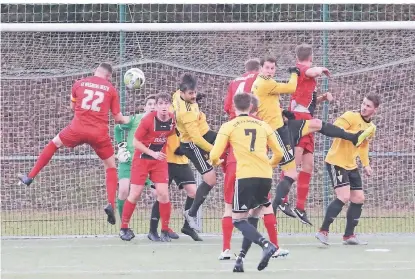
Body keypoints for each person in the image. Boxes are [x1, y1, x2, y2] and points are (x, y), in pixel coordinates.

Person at [251, 55, 375, 212]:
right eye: (267, 68)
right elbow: (291, 87)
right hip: (277, 131)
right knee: (290, 172)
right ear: (261, 68)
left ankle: (353, 137)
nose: (269, 71)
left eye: (272, 68)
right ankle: (273, 204)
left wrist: (282, 111)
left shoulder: (262, 83)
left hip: (284, 124)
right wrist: (295, 73)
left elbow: (266, 105)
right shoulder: (265, 82)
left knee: (316, 125)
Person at [18, 63, 129, 225]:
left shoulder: (79, 83)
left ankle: (30, 176)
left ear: (95, 71)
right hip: (99, 134)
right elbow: (118, 118)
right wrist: (133, 120)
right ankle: (110, 204)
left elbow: (72, 106)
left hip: (77, 129)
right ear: (109, 76)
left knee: (54, 144)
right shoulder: (111, 89)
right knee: (111, 166)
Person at [210, 93, 285, 272]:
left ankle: (266, 244)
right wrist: (270, 165)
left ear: (234, 107)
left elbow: (214, 155)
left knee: (237, 220)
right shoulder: (263, 125)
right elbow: (280, 153)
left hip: (245, 177)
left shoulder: (229, 125)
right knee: (252, 218)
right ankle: (240, 259)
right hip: (265, 176)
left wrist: (216, 162)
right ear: (251, 106)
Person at [279, 43, 333, 225]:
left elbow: (305, 100)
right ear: (310, 57)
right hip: (299, 121)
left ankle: (300, 207)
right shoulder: (301, 68)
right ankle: (282, 200)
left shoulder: (304, 76)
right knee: (294, 162)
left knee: (308, 165)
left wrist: (322, 98)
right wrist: (321, 68)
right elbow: (310, 72)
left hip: (306, 118)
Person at [315, 95, 379, 245]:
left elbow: (363, 146)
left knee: (358, 198)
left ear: (375, 110)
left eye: (368, 106)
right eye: (363, 103)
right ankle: (323, 231)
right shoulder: (351, 116)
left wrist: (366, 164)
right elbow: (336, 127)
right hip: (336, 161)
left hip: (351, 165)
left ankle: (349, 236)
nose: (364, 107)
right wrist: (350, 134)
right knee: (343, 196)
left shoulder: (371, 128)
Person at [119, 93, 175, 241]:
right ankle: (124, 228)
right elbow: (136, 142)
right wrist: (153, 153)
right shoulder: (147, 120)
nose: (163, 107)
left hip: (159, 161)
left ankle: (164, 230)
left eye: (166, 103)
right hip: (142, 159)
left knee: (163, 193)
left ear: (169, 105)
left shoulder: (172, 120)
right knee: (135, 193)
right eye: (160, 104)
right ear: (156, 106)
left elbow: (169, 135)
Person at [172, 73, 218, 232]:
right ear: (183, 92)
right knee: (211, 180)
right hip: (192, 145)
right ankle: (191, 214)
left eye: (194, 92)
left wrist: (196, 99)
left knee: (228, 139)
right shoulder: (187, 114)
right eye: (190, 94)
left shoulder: (177, 95)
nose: (193, 95)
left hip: (205, 133)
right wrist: (215, 152)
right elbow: (197, 140)